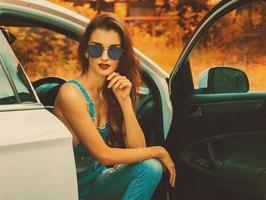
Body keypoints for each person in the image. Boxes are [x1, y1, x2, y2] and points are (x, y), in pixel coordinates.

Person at [53, 13, 176, 200]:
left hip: (97, 181)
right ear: (85, 51)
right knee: (153, 160)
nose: (104, 57)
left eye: (114, 51)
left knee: (150, 168)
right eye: (96, 49)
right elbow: (104, 155)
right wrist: (159, 150)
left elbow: (138, 149)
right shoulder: (71, 93)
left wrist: (125, 101)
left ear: (121, 56)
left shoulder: (111, 92)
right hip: (69, 189)